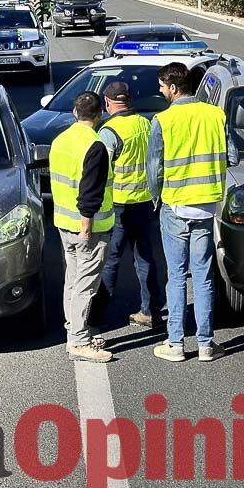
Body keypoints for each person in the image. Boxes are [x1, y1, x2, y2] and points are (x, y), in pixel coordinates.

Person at [148, 62, 234, 363]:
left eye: (162, 86)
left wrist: (156, 199)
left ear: (173, 88)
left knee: (177, 276)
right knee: (204, 276)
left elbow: (155, 167)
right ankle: (206, 344)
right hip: (207, 205)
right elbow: (231, 155)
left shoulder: (163, 120)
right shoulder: (215, 115)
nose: (160, 91)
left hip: (175, 205)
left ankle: (175, 343)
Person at [49, 92, 116, 363]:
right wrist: (87, 225)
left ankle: (73, 330)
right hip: (89, 227)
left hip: (64, 224)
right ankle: (79, 341)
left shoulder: (60, 140)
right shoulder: (95, 145)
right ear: (99, 114)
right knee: (86, 284)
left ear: (75, 113)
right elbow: (90, 191)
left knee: (72, 280)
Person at [97, 82, 162, 329]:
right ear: (130, 100)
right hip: (145, 202)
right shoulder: (145, 123)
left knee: (111, 259)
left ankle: (98, 316)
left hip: (119, 205)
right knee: (144, 257)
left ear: (108, 102)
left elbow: (99, 170)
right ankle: (150, 311)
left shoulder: (109, 131)